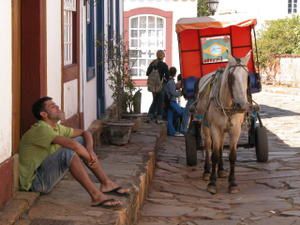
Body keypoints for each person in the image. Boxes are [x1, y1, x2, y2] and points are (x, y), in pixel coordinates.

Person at [19, 96, 129, 208]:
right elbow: (73, 145)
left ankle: (106, 183)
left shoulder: (56, 127)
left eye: (55, 104)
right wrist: (91, 158)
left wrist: (90, 150)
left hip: (45, 173)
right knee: (68, 152)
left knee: (81, 140)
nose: (57, 107)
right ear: (44, 114)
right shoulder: (41, 129)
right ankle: (96, 196)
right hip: (36, 183)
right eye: (52, 106)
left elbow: (85, 133)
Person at [146, 50, 169, 123]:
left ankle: (150, 115)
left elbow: (147, 73)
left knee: (155, 100)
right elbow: (167, 76)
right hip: (160, 85)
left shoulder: (152, 63)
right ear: (163, 56)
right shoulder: (164, 65)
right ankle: (159, 117)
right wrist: (164, 81)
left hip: (152, 86)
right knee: (161, 101)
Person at [165, 67, 189, 137]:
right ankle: (182, 129)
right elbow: (173, 93)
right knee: (183, 112)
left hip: (169, 101)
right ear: (175, 73)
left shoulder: (169, 81)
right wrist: (181, 93)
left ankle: (172, 132)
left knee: (170, 117)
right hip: (172, 101)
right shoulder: (171, 82)